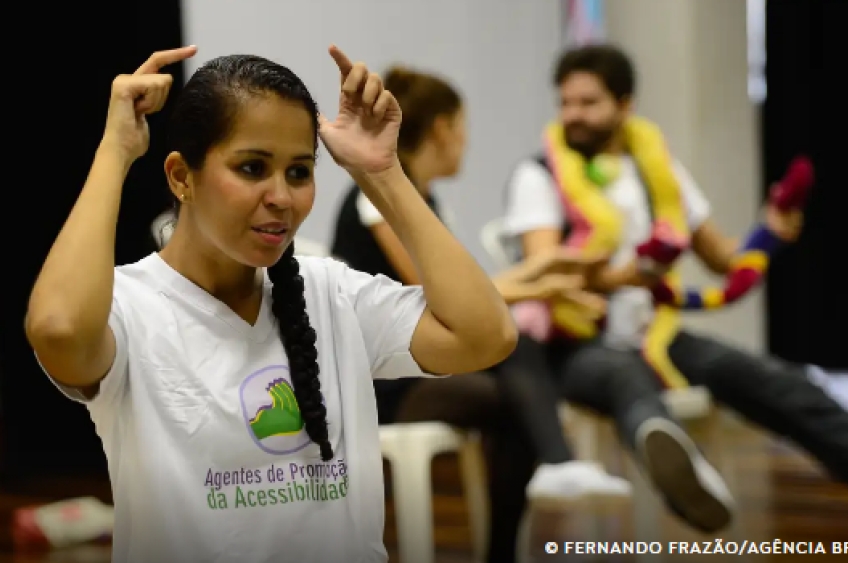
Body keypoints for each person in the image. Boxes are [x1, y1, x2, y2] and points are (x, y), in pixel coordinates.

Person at [24, 45, 520, 563]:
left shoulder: (332, 292)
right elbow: (58, 329)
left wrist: (382, 172)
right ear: (181, 177)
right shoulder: (131, 305)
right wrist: (115, 151)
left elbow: (486, 336)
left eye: (299, 172)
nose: (281, 196)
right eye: (252, 167)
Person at [501, 43, 848, 534]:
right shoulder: (538, 175)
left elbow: (723, 258)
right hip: (575, 343)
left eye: (588, 103)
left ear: (626, 106)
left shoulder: (658, 171)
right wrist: (624, 277)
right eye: (565, 103)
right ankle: (686, 472)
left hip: (657, 333)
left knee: (773, 380)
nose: (572, 115)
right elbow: (543, 272)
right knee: (626, 379)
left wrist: (769, 232)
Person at [329, 65, 630, 561]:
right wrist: (543, 279)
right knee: (513, 376)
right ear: (444, 128)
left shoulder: (425, 201)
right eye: (464, 127)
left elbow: (470, 297)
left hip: (425, 364)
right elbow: (432, 297)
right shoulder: (376, 198)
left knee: (511, 376)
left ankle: (519, 525)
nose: (466, 141)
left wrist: (547, 276)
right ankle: (552, 467)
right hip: (385, 378)